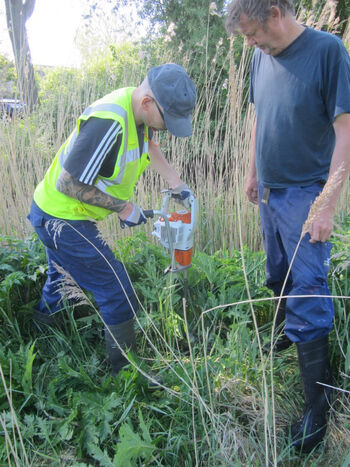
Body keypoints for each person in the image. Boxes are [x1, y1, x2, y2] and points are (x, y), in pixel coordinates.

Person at [226, 0, 350, 453]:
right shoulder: (262, 56)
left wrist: (326, 205)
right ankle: (287, 347)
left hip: (306, 194)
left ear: (276, 13)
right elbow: (261, 116)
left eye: (253, 33)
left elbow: (346, 131)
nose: (251, 43)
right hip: (272, 192)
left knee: (308, 291)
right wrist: (255, 172)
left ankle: (318, 409)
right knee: (278, 277)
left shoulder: (327, 51)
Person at [28, 63, 196, 377]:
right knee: (117, 290)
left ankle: (41, 344)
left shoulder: (139, 115)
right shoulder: (110, 123)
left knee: (61, 281)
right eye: (167, 119)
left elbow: (149, 145)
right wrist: (122, 208)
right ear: (148, 102)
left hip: (55, 211)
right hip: (61, 218)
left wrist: (177, 183)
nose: (168, 127)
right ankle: (126, 375)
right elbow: (68, 184)